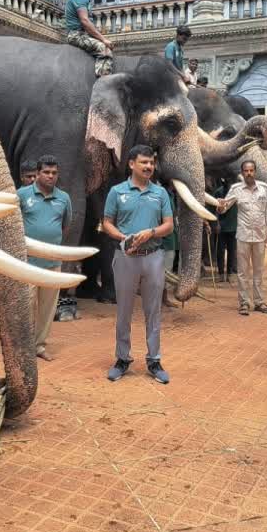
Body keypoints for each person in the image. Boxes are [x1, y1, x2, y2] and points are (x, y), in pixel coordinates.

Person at [102, 146, 175, 383]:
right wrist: (125, 238)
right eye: (144, 162)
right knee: (123, 310)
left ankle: (154, 360)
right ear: (131, 164)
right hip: (125, 257)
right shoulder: (116, 191)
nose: (149, 167)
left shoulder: (160, 193)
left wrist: (150, 232)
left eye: (151, 163)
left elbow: (169, 225)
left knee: (153, 311)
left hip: (153, 257)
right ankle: (122, 358)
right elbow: (107, 223)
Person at [19, 155, 73, 362]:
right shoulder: (22, 195)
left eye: (54, 173)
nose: (50, 176)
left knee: (47, 309)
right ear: (38, 173)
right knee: (26, 307)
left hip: (52, 264)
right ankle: (23, 347)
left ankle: (39, 346)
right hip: (27, 263)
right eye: (46, 172)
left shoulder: (64, 198)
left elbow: (65, 226)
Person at [217, 160, 267, 316]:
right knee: (243, 272)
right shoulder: (236, 189)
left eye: (251, 170)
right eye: (246, 171)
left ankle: (259, 302)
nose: (249, 173)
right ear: (242, 173)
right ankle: (243, 303)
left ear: (255, 171)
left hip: (260, 236)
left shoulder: (264, 188)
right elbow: (224, 208)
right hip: (243, 236)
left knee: (258, 271)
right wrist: (220, 205)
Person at [64, 0, 114, 77]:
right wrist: (103, 39)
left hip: (82, 34)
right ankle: (103, 84)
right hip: (76, 35)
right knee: (104, 49)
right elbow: (85, 21)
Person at [212, 177, 238, 284]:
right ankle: (221, 274)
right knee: (220, 252)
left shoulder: (237, 194)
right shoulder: (219, 192)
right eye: (227, 181)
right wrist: (216, 223)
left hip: (234, 227)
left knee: (232, 251)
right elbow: (215, 209)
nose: (229, 183)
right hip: (222, 227)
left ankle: (230, 274)